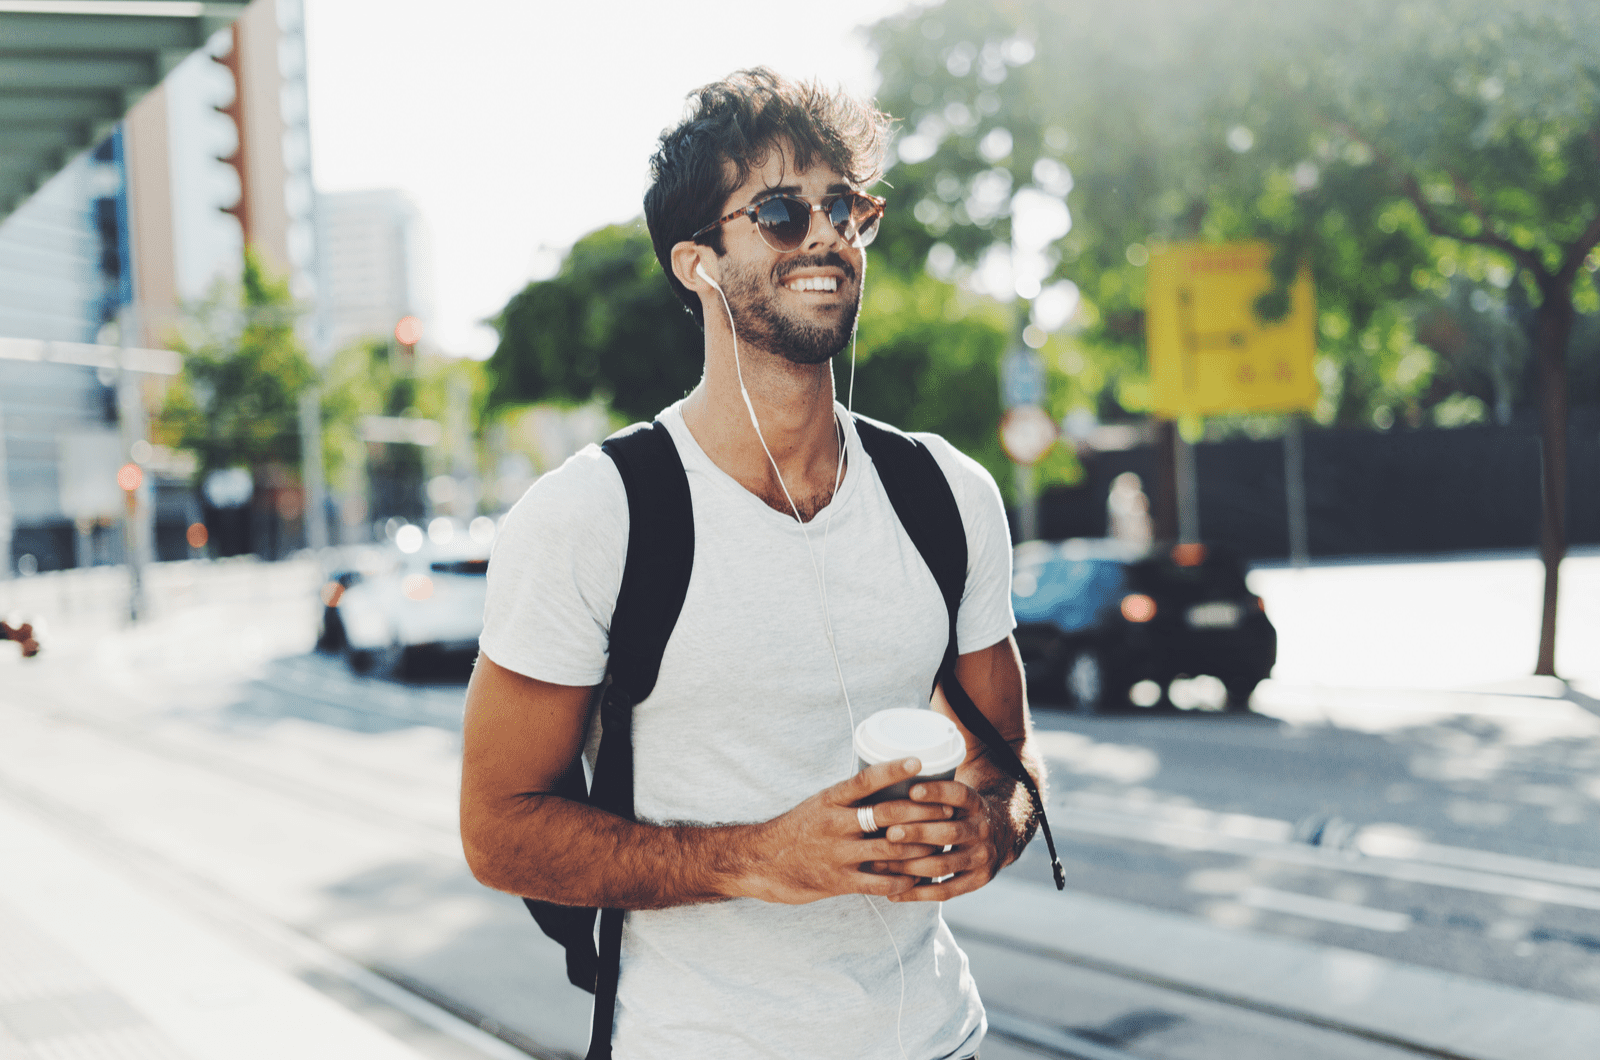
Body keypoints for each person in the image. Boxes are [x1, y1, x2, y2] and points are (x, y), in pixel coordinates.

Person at [460, 68, 1048, 1060]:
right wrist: (756, 858)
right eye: (779, 210)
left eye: (844, 208)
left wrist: (990, 829)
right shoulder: (592, 516)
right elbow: (500, 830)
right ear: (697, 262)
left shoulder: (946, 494)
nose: (824, 235)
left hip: (941, 1039)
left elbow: (1011, 763)